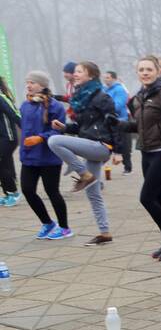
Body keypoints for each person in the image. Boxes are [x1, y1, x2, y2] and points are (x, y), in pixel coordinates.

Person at [47, 61, 120, 246]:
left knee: (53, 141)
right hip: (90, 145)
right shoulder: (81, 98)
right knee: (93, 193)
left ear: (91, 75)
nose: (75, 74)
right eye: (75, 71)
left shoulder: (102, 97)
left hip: (101, 146)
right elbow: (83, 128)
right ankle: (105, 233)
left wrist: (119, 152)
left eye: (80, 71)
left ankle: (83, 174)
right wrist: (64, 127)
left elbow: (114, 124)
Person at [118, 55, 161, 260]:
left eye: (149, 69)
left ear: (158, 72)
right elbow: (139, 126)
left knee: (146, 198)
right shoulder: (139, 97)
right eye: (141, 70)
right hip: (146, 152)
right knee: (159, 199)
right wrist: (120, 125)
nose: (145, 73)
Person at [18, 72, 70, 238]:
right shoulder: (25, 105)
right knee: (27, 190)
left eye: (32, 82)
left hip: (49, 157)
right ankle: (47, 223)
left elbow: (58, 130)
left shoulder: (56, 106)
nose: (28, 85)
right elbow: (24, 128)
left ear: (42, 85)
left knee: (52, 192)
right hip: (29, 157)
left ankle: (64, 228)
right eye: (27, 82)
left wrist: (40, 137)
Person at [102, 70, 133, 174]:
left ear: (114, 78)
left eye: (108, 77)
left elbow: (118, 106)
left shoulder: (119, 89)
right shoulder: (104, 89)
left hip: (120, 121)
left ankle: (128, 167)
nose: (105, 79)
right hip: (107, 121)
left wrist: (104, 107)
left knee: (124, 145)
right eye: (105, 77)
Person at [0, 75, 20, 206]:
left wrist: (28, 130)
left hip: (9, 137)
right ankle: (8, 194)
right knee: (5, 164)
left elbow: (14, 114)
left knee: (2, 164)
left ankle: (13, 192)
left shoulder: (1, 97)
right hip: (2, 138)